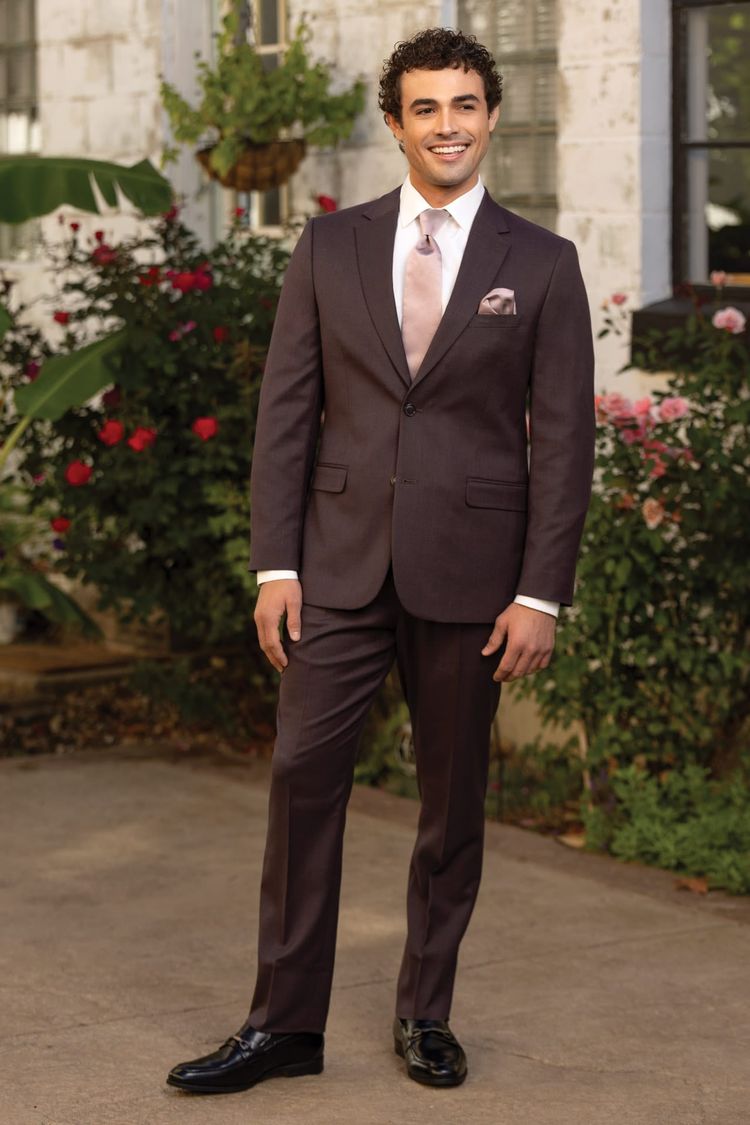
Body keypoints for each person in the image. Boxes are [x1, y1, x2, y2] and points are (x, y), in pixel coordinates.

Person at [167, 26, 594, 1095]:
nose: (446, 126)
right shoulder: (331, 248)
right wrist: (277, 567)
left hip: (475, 578)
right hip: (338, 570)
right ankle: (283, 1027)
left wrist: (541, 591)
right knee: (302, 783)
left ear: (490, 118)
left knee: (450, 809)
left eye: (464, 106)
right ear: (395, 122)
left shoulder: (541, 264)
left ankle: (425, 1014)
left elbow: (565, 440)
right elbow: (286, 418)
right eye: (425, 108)